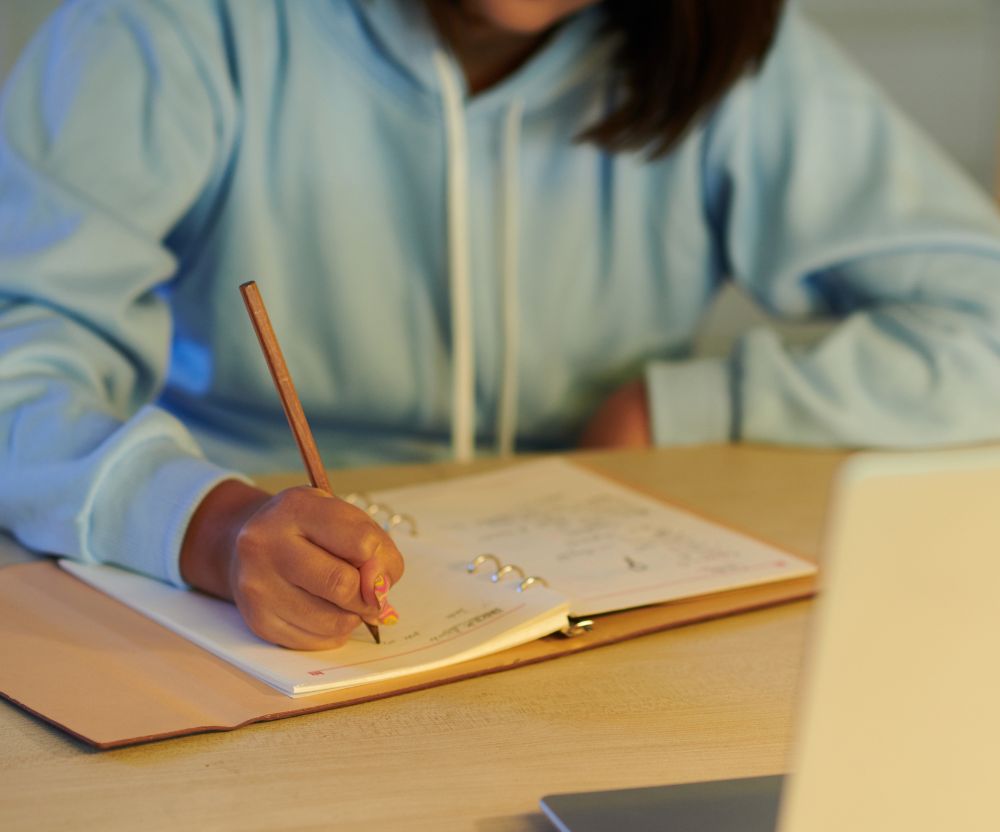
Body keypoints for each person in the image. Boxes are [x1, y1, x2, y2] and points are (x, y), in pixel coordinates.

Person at [1, 0, 999, 650]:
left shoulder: (729, 50)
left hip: (602, 625)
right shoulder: (167, 27)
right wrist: (212, 528)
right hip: (246, 630)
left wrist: (685, 402)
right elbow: (18, 367)